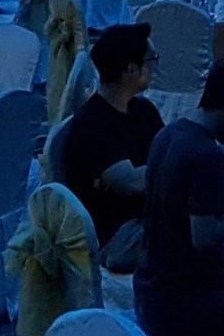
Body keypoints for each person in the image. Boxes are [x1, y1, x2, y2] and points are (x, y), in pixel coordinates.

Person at [135, 56, 224, 336]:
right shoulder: (206, 155)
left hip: (151, 288)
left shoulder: (168, 134)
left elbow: (180, 193)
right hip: (177, 301)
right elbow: (206, 239)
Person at [57, 23, 162, 272]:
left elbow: (166, 151)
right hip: (117, 236)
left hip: (149, 214)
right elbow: (130, 183)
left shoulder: (143, 110)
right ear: (131, 69)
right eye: (152, 59)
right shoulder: (93, 124)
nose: (156, 66)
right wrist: (181, 166)